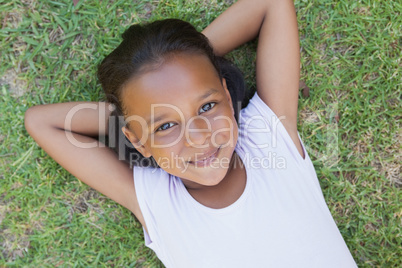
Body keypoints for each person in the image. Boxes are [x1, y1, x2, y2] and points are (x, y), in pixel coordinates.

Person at [24, 0, 358, 267]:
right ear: (138, 141)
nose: (200, 137)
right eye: (166, 126)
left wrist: (190, 56)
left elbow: (270, 4)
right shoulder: (158, 204)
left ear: (228, 97)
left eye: (207, 107)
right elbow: (42, 123)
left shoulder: (269, 136)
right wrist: (133, 113)